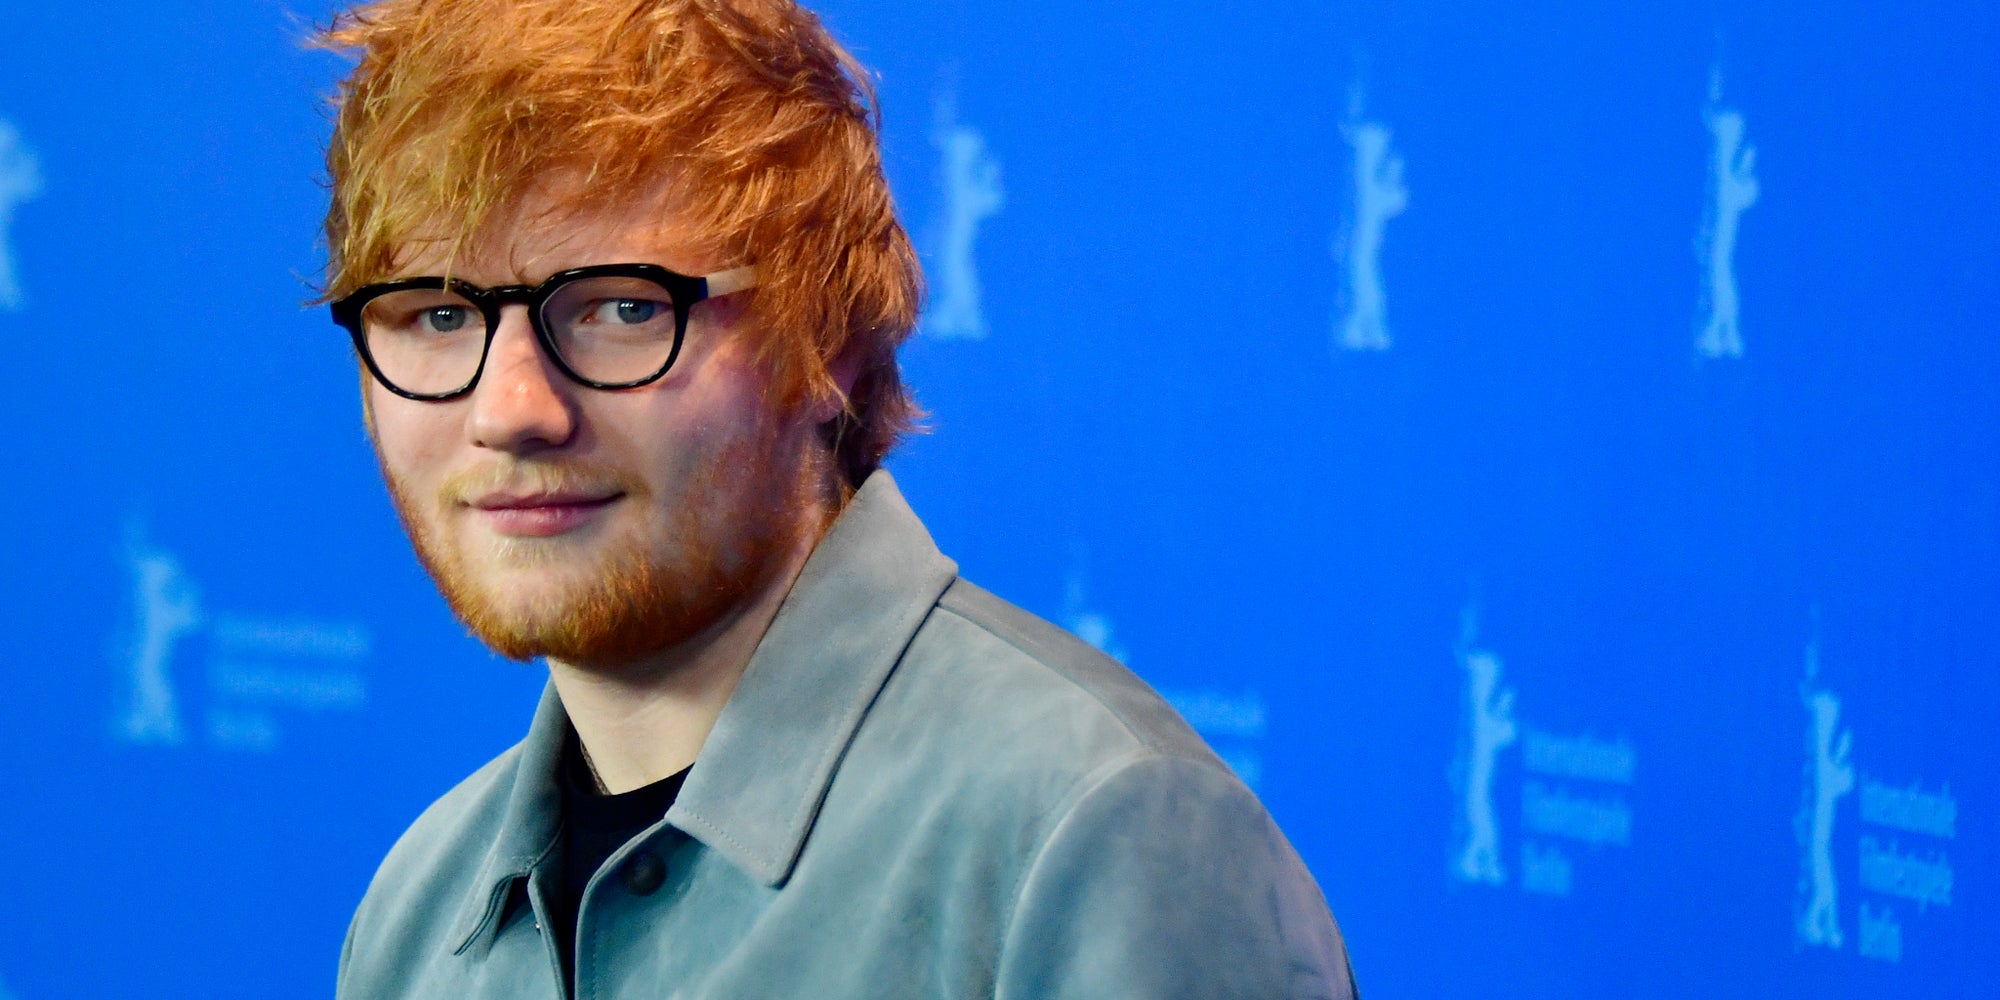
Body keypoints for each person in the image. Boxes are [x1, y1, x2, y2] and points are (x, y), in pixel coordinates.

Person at [320, 1, 1358, 997]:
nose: (511, 409)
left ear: (827, 345)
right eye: (438, 315)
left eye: (622, 309)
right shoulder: (420, 910)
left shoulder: (1091, 839)